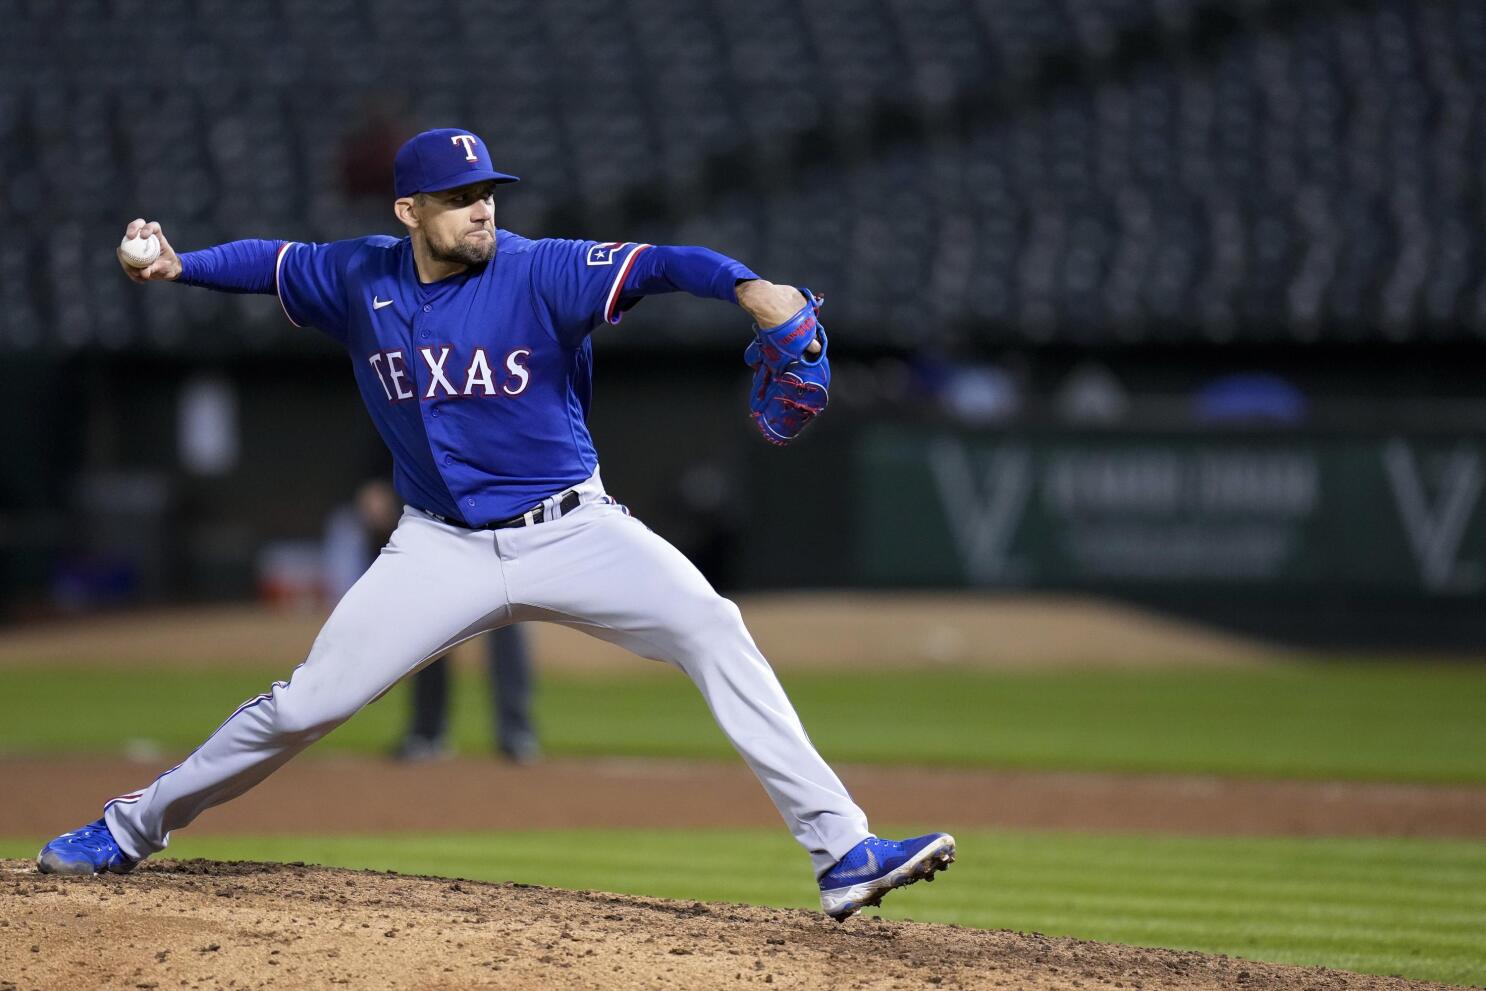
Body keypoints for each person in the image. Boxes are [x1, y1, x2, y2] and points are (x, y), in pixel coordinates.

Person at [37, 128, 954, 920]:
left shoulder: (538, 267)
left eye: (486, 193)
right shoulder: (360, 273)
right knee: (306, 703)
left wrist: (752, 287)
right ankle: (127, 827)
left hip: (574, 531)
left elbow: (665, 263)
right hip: (437, 546)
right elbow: (270, 261)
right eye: (458, 198)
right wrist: (176, 263)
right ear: (409, 211)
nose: (481, 210)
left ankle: (843, 853)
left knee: (714, 626)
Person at [324, 479, 540, 763]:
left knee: (507, 621)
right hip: (437, 520)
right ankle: (428, 732)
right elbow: (382, 448)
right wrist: (376, 483)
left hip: (497, 519)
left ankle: (516, 732)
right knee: (428, 625)